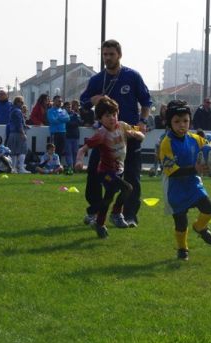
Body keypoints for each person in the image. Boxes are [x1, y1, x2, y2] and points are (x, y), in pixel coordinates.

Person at [80, 39, 152, 228]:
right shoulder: (97, 79)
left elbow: (146, 102)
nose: (108, 58)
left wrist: (142, 122)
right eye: (105, 54)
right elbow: (84, 101)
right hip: (105, 137)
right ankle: (94, 211)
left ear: (119, 55)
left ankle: (127, 215)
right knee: (95, 175)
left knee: (132, 176)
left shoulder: (132, 76)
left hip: (128, 134)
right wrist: (93, 99)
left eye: (111, 54)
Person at [75, 97, 144, 237]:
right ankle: (116, 214)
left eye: (114, 114)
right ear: (100, 118)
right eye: (107, 116)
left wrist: (136, 134)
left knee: (107, 199)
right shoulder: (101, 134)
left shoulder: (123, 126)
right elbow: (82, 149)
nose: (112, 118)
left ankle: (99, 224)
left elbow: (142, 135)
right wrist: (79, 161)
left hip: (118, 171)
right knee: (128, 188)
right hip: (105, 172)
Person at [159, 100, 211, 261]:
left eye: (185, 121)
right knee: (180, 221)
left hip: (193, 183)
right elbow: (172, 172)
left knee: (210, 209)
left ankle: (199, 227)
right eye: (177, 121)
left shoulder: (195, 139)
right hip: (174, 186)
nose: (182, 125)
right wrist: (195, 169)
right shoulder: (166, 144)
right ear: (170, 123)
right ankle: (182, 249)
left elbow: (209, 146)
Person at [6, 96, 30, 173]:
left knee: (13, 151)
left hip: (12, 133)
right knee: (23, 150)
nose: (23, 104)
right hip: (18, 134)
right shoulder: (18, 111)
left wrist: (25, 125)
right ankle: (21, 168)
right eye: (22, 102)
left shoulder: (12, 110)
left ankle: (13, 168)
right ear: (17, 102)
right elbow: (19, 124)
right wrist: (23, 133)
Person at [46, 95, 70, 162]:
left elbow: (68, 119)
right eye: (58, 101)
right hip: (55, 133)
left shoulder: (63, 110)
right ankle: (52, 165)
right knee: (53, 150)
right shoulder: (50, 111)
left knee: (61, 150)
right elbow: (52, 120)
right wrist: (61, 119)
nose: (60, 102)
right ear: (54, 101)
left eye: (61, 101)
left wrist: (58, 118)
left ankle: (57, 164)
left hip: (63, 132)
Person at [64, 101, 81, 175]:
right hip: (67, 136)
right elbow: (66, 124)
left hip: (75, 136)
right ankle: (70, 167)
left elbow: (79, 122)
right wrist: (73, 123)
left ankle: (75, 167)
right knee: (69, 153)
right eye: (67, 107)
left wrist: (71, 123)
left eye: (70, 107)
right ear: (64, 108)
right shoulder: (63, 115)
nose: (69, 108)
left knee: (75, 152)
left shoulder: (75, 114)